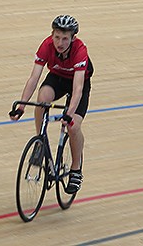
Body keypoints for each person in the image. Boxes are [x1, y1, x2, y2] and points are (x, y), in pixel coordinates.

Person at [9, 14, 94, 194]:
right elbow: (34, 78)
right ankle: (40, 142)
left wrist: (69, 114)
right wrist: (22, 106)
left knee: (73, 127)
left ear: (73, 38)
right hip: (57, 78)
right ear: (52, 35)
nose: (60, 42)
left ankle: (76, 169)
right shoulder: (46, 45)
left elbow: (78, 89)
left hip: (78, 83)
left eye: (65, 38)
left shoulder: (80, 50)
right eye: (57, 37)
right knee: (42, 99)